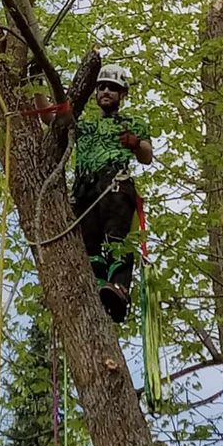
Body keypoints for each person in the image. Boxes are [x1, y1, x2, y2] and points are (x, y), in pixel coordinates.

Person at [72, 64, 152, 322]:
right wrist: (37, 85)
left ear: (122, 94)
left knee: (116, 239)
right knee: (90, 244)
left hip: (115, 185)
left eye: (113, 88)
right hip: (85, 191)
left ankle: (119, 288)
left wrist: (136, 143)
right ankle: (96, 285)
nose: (106, 91)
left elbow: (147, 156)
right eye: (102, 87)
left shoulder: (132, 123)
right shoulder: (83, 125)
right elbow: (52, 118)